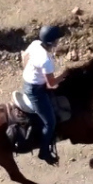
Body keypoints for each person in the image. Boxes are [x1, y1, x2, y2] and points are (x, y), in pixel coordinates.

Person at [21, 24, 63, 166]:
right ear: (52, 41)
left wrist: (30, 71)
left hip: (28, 82)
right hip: (36, 91)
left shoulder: (35, 44)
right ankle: (44, 152)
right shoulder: (45, 60)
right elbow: (51, 84)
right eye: (57, 39)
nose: (58, 41)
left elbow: (24, 57)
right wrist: (65, 74)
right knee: (50, 123)